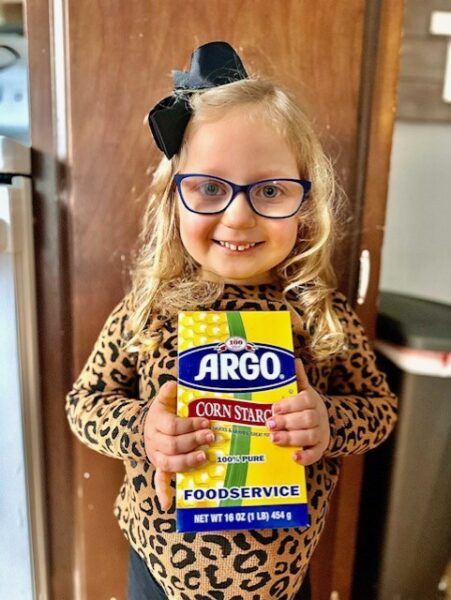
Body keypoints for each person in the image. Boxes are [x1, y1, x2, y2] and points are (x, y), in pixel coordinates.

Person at [66, 41, 397, 600]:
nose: (238, 216)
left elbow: (379, 409)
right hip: (159, 572)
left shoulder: (318, 311)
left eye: (269, 190)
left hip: (284, 574)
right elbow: (84, 404)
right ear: (174, 198)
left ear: (304, 202)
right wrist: (141, 428)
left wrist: (330, 422)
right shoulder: (149, 308)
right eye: (210, 188)